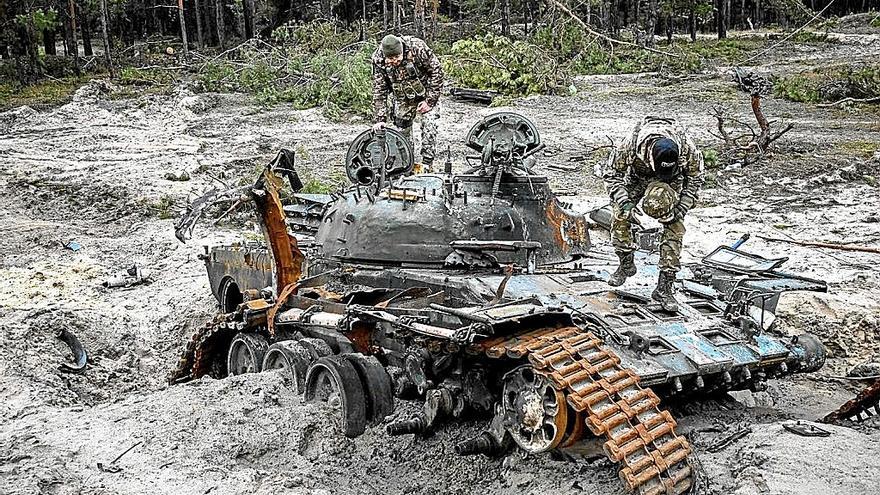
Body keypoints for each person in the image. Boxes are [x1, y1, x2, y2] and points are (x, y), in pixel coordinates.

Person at [603, 116, 705, 312]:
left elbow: (695, 179)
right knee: (620, 216)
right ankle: (626, 264)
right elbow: (611, 174)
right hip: (635, 177)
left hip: (671, 182)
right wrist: (624, 202)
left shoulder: (687, 147)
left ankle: (665, 287)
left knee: (674, 226)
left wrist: (681, 208)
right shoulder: (629, 145)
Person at [371, 34, 443, 170]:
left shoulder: (417, 48)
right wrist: (380, 118)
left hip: (426, 92)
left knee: (429, 127)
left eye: (396, 58)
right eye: (390, 59)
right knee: (402, 132)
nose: (394, 61)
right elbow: (379, 89)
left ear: (402, 52)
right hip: (402, 97)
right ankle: (407, 164)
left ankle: (427, 163)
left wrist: (430, 101)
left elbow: (437, 71)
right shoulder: (378, 60)